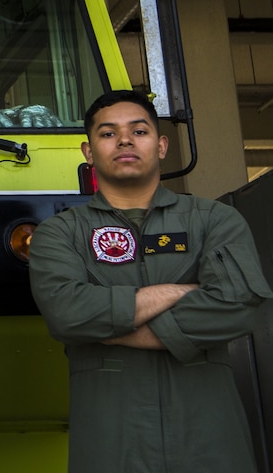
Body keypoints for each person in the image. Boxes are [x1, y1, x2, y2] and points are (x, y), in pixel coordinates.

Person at [29, 90, 273, 473]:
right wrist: (176, 292)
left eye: (138, 131)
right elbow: (67, 315)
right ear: (88, 152)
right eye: (108, 134)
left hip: (208, 435)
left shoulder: (213, 220)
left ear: (161, 146)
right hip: (112, 440)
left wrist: (104, 324)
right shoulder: (60, 233)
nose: (124, 140)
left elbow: (238, 307)